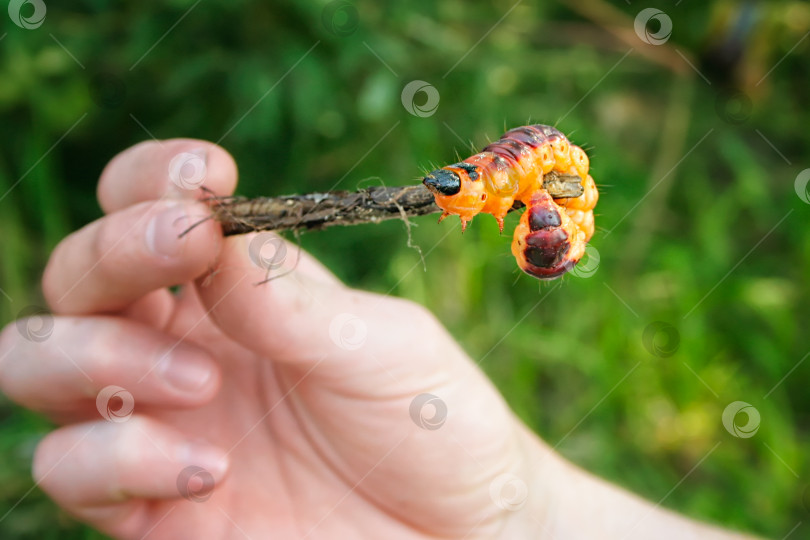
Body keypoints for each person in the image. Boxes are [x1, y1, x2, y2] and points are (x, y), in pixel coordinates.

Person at [0, 140, 758, 539]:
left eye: (535, 235)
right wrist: (523, 518)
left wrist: (523, 520)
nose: (533, 235)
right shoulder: (542, 186)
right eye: (539, 235)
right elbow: (521, 174)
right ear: (547, 216)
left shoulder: (547, 195)